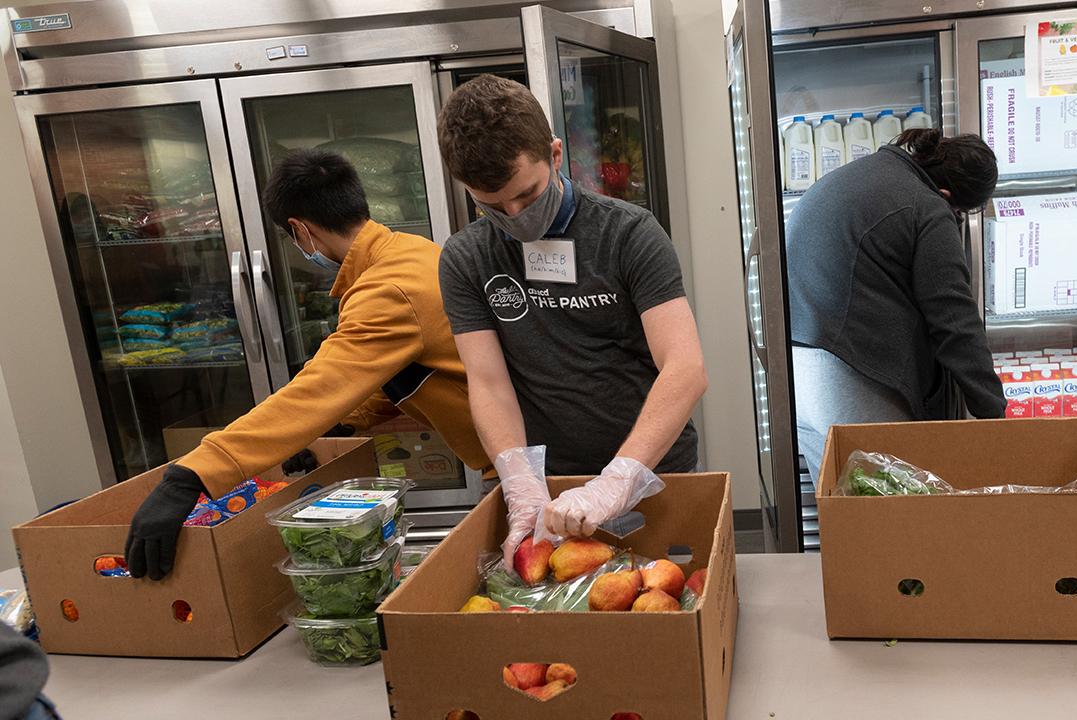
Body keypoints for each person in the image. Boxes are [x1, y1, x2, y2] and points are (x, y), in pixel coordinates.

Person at [124, 149, 488, 580]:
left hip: (518, 460)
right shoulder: (407, 252)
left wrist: (190, 474)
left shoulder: (387, 290)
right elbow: (396, 373)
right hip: (513, 448)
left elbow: (316, 390)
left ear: (300, 231)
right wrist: (340, 424)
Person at [435, 75, 707, 568]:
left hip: (652, 473)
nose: (515, 215)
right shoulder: (465, 258)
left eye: (527, 194)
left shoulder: (629, 234)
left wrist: (618, 479)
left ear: (556, 155)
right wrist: (520, 481)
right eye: (492, 205)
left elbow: (685, 368)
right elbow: (489, 383)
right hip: (550, 487)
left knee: (662, 611)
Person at [786, 127, 1006, 470]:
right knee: (895, 516)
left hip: (796, 371)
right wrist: (995, 416)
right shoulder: (927, 206)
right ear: (948, 194)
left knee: (845, 513)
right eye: (960, 213)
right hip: (850, 379)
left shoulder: (861, 174)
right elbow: (955, 321)